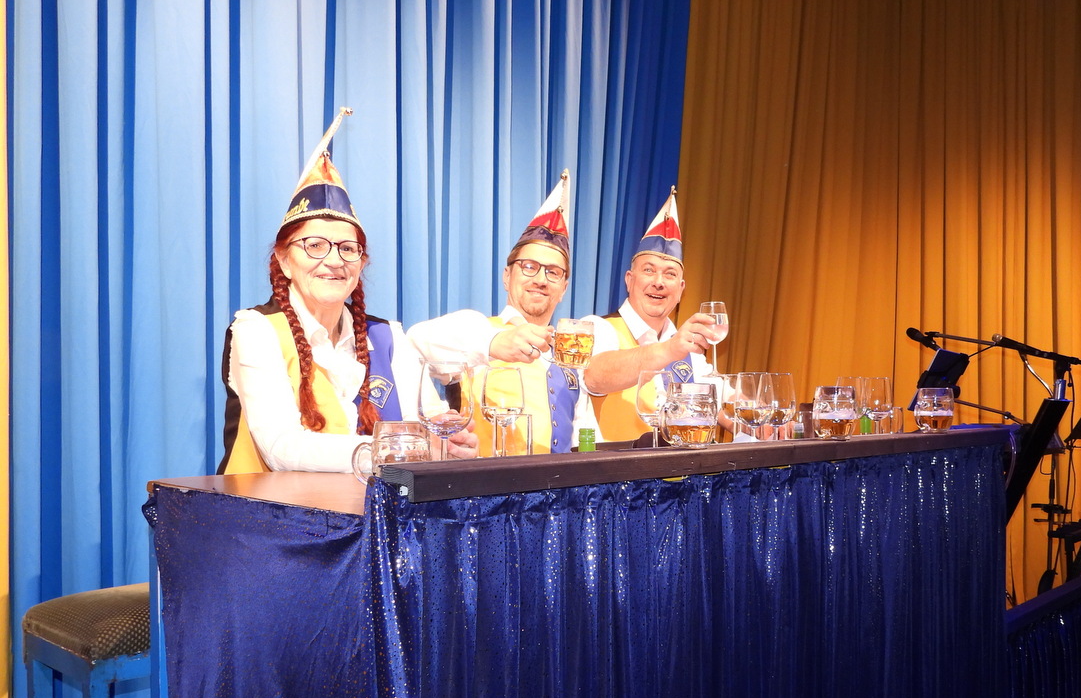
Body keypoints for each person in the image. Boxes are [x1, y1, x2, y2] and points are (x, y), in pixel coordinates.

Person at [219, 109, 490, 473]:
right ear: (284, 261)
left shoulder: (389, 337)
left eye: (347, 249)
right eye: (315, 245)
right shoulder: (256, 330)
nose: (334, 260)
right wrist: (399, 447)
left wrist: (451, 445)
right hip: (271, 509)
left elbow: (430, 423)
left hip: (374, 510)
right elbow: (281, 448)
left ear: (362, 263)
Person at [411, 170, 600, 454]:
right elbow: (416, 340)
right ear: (507, 276)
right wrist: (495, 342)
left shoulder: (570, 357)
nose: (540, 279)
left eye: (553, 272)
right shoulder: (476, 328)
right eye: (529, 267)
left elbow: (583, 435)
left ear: (563, 288)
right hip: (486, 481)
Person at [583, 187, 722, 442]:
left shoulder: (688, 348)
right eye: (649, 270)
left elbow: (724, 400)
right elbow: (594, 376)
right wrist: (670, 349)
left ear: (681, 290)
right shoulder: (598, 327)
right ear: (629, 280)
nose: (659, 282)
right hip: (616, 465)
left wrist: (764, 418)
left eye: (670, 274)